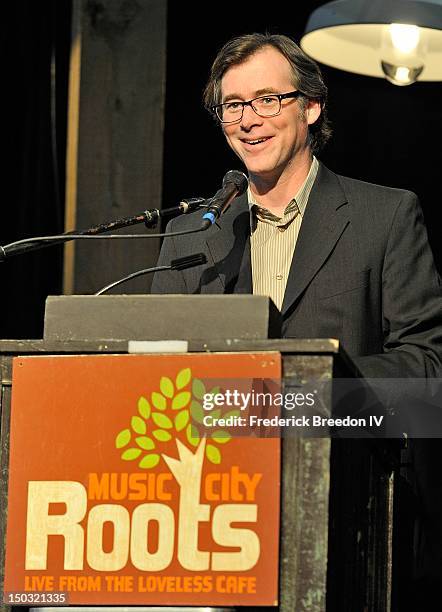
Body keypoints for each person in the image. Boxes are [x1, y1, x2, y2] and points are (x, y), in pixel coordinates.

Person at [151, 32, 441, 379]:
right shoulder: (189, 235)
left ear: (311, 106)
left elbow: (425, 361)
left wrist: (312, 383)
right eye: (233, 105)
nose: (247, 120)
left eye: (268, 99)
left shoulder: (385, 217)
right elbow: (156, 367)